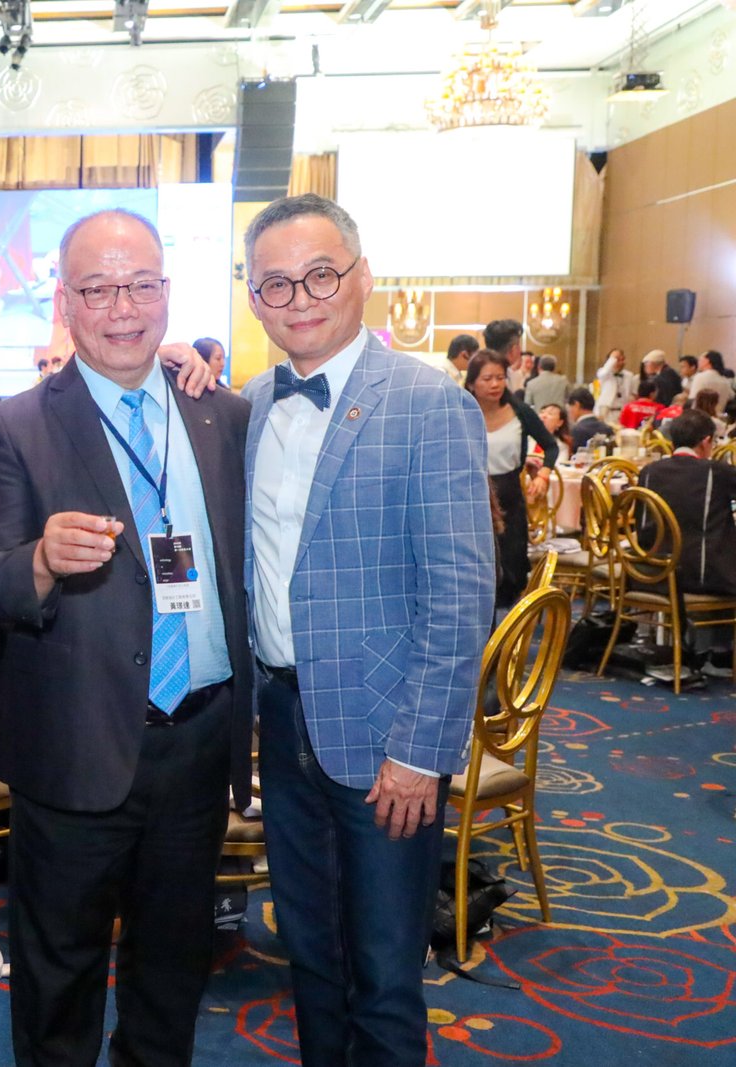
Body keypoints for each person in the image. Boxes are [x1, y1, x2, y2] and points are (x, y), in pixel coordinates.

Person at [0, 208, 252, 1067]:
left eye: (139, 286)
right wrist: (41, 561)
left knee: (172, 971)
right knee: (59, 979)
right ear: (64, 302)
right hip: (76, 741)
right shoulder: (16, 423)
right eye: (97, 289)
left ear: (167, 293)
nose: (122, 308)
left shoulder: (223, 414)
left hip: (198, 740)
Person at [240, 194, 493, 1067]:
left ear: (364, 276)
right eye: (276, 283)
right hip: (283, 721)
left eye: (321, 274)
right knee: (309, 954)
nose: (300, 298)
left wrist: (422, 749)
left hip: (389, 734)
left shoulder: (429, 404)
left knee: (384, 972)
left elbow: (461, 593)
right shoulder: (251, 404)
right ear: (254, 299)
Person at [466, 349, 558, 604]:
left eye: (500, 377)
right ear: (472, 383)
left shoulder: (520, 411)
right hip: (473, 498)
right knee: (478, 576)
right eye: (487, 379)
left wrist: (543, 474)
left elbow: (550, 446)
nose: (495, 384)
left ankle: (512, 625)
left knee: (511, 573)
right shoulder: (462, 412)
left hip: (510, 498)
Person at [639, 408, 736, 597]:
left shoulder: (648, 471)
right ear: (706, 441)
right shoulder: (716, 472)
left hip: (651, 573)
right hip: (703, 576)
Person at [596, 347, 638, 423]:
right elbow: (603, 372)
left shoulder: (629, 375)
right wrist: (612, 359)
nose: (620, 363)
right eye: (617, 360)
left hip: (622, 410)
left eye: (622, 360)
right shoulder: (604, 373)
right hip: (606, 411)